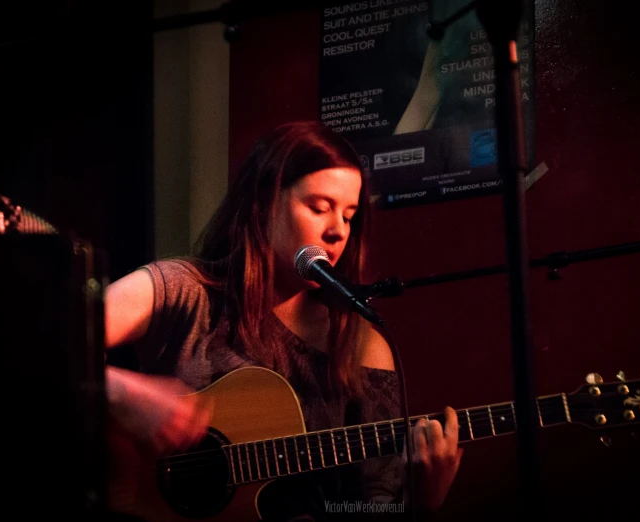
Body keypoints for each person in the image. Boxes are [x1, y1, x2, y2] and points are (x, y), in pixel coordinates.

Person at [103, 120, 463, 520]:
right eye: (319, 207)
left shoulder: (361, 344)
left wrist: (419, 505)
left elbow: (366, 506)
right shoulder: (181, 290)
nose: (337, 231)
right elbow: (43, 335)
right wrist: (122, 393)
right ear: (264, 202)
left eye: (349, 215)